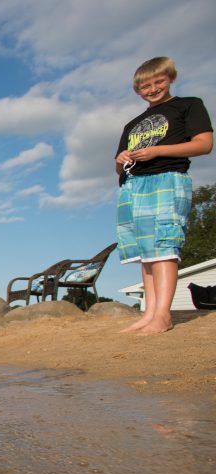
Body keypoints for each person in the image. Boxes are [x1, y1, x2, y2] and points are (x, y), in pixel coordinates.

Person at [115, 56, 212, 334]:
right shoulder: (132, 125)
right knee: (145, 251)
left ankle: (163, 315)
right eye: (146, 85)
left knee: (164, 245)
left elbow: (204, 145)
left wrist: (158, 151)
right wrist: (121, 159)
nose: (153, 88)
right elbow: (116, 167)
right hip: (133, 185)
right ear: (137, 90)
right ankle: (149, 313)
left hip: (167, 180)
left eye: (159, 81)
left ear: (172, 78)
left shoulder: (188, 105)